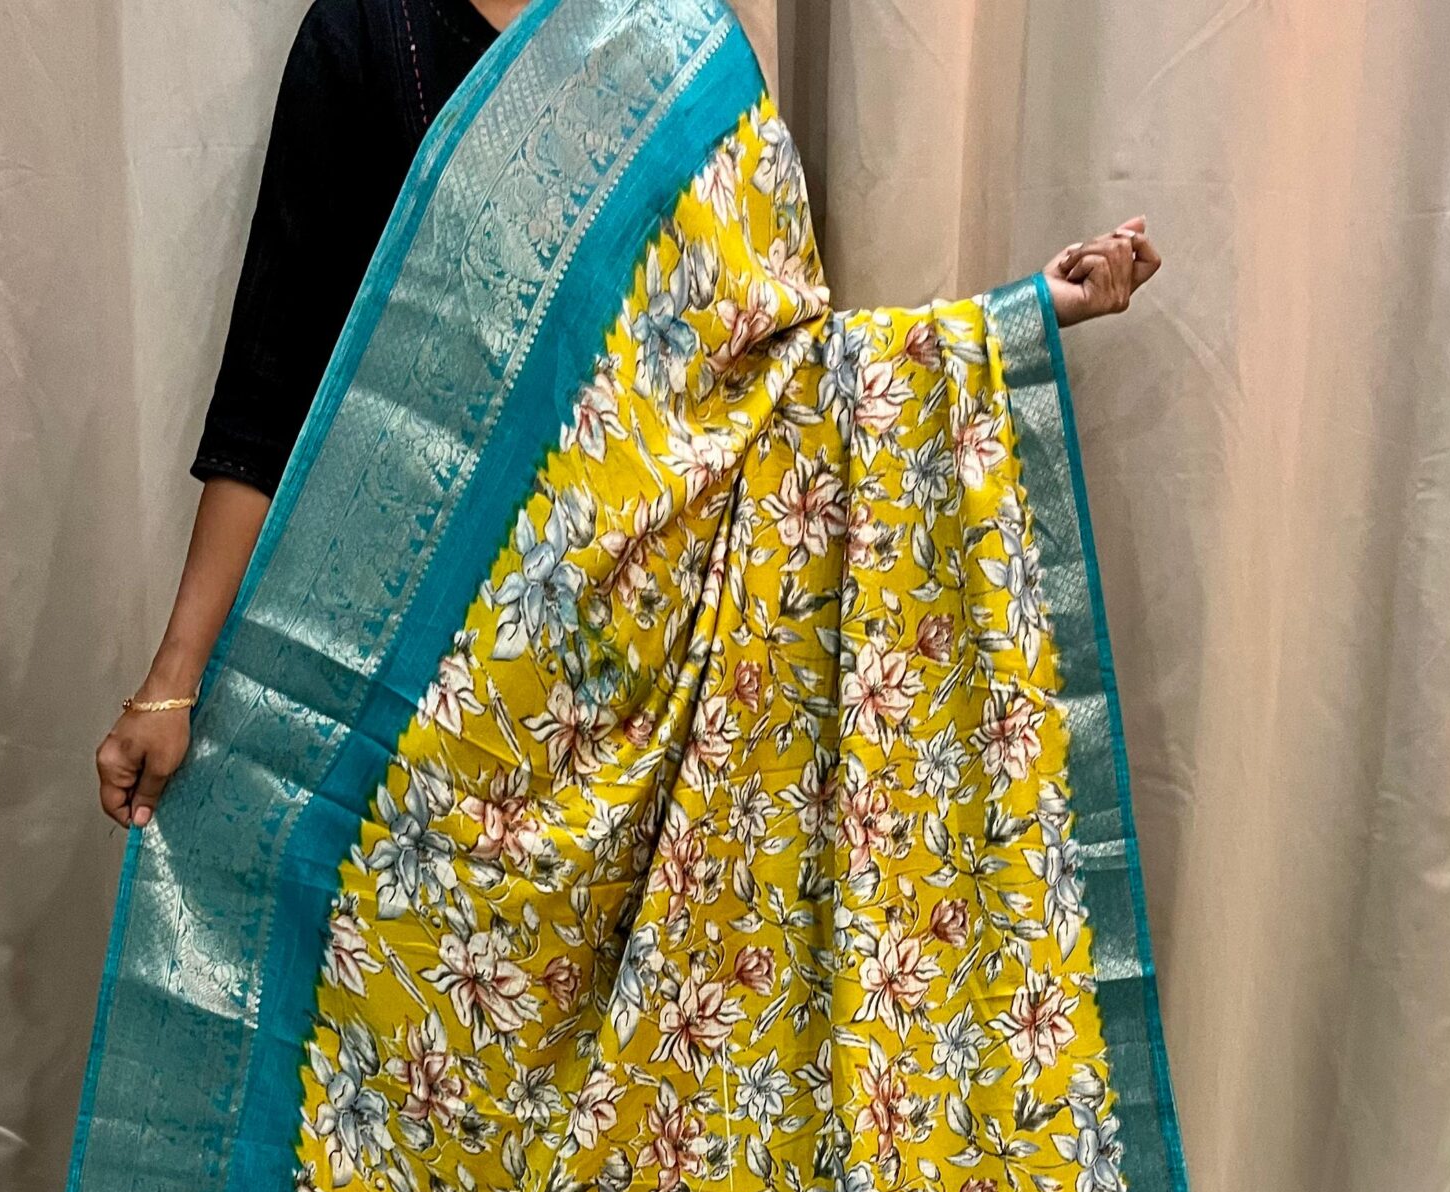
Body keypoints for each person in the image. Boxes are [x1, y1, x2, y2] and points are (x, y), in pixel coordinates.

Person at [96, 0, 1159, 833]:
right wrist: (172, 683)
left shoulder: (679, 49)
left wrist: (1023, 315)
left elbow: (780, 382)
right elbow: (273, 388)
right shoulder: (368, 33)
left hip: (640, 721)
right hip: (412, 707)